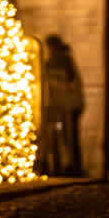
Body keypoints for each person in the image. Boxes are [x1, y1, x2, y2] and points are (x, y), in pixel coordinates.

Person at [41, 34, 85, 176]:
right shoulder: (63, 62)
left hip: (65, 109)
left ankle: (69, 165)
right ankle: (65, 165)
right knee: (61, 136)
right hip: (60, 109)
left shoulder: (62, 63)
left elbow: (69, 86)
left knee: (66, 137)